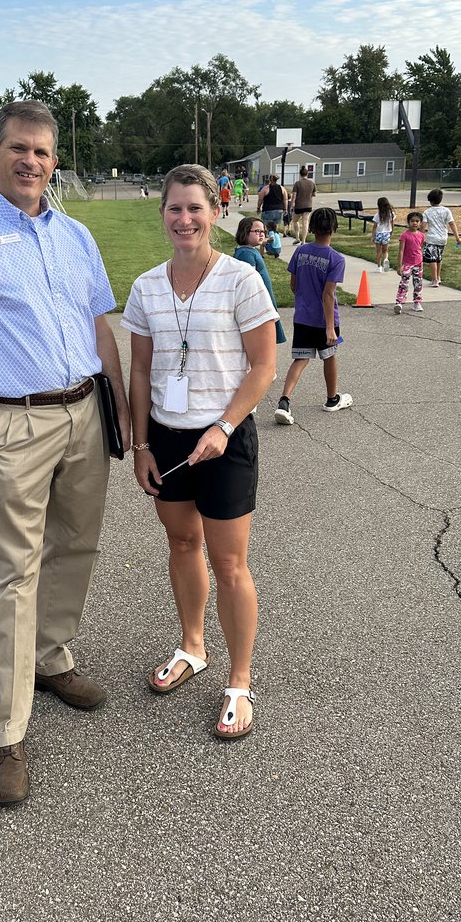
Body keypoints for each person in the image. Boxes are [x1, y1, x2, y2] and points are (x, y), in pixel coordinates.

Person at [0, 99, 130, 806]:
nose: (31, 161)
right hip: (17, 422)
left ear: (53, 161)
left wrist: (120, 405)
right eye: (18, 148)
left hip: (84, 415)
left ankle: (51, 659)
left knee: (76, 549)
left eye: (42, 152)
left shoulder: (76, 236)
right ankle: (5, 734)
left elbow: (99, 326)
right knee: (13, 575)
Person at [122, 164, 277, 741]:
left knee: (230, 562)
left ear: (215, 212)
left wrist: (226, 425)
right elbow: (140, 370)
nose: (184, 219)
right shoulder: (146, 287)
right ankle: (193, 645)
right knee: (182, 542)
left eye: (195, 208)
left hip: (224, 440)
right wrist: (141, 444)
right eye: (173, 208)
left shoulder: (241, 280)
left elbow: (264, 366)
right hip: (165, 435)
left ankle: (240, 679)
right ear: (162, 213)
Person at [274, 207, 353, 425]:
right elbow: (328, 295)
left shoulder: (301, 251)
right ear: (334, 229)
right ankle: (331, 399)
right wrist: (329, 327)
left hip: (302, 317)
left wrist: (304, 301)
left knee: (300, 359)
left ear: (313, 228)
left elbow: (293, 283)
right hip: (324, 320)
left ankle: (284, 401)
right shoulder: (336, 258)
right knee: (329, 356)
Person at [233, 217, 287, 345]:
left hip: (264, 300)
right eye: (257, 231)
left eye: (263, 231)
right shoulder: (246, 254)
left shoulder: (251, 250)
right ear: (245, 232)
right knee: (263, 343)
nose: (262, 234)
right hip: (258, 305)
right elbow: (248, 284)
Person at [422, 188, 461, 286]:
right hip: (443, 238)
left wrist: (421, 237)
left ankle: (434, 279)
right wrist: (457, 237)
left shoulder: (427, 212)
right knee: (439, 258)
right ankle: (438, 277)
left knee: (432, 259)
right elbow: (452, 223)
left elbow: (423, 226)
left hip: (432, 238)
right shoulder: (446, 210)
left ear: (430, 200)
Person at [394, 211, 425, 315]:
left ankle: (417, 302)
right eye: (412, 221)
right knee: (404, 283)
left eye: (417, 221)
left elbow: (421, 247)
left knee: (418, 283)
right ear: (408, 222)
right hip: (407, 264)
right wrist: (399, 266)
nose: (415, 223)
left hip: (418, 263)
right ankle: (399, 303)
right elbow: (401, 250)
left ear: (420, 223)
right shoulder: (404, 235)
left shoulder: (421, 235)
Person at [290, 166, 316, 243]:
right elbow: (314, 194)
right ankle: (303, 240)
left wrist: (292, 205)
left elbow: (294, 195)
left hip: (299, 206)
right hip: (308, 205)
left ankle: (297, 237)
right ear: (307, 174)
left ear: (300, 174)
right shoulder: (312, 183)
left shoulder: (297, 184)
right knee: (305, 222)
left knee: (295, 220)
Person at [372, 197, 395, 272]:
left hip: (378, 234)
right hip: (386, 234)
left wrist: (373, 236)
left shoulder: (377, 215)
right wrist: (391, 232)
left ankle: (379, 267)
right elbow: (392, 224)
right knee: (385, 251)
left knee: (378, 251)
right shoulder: (391, 214)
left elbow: (374, 227)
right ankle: (385, 259)